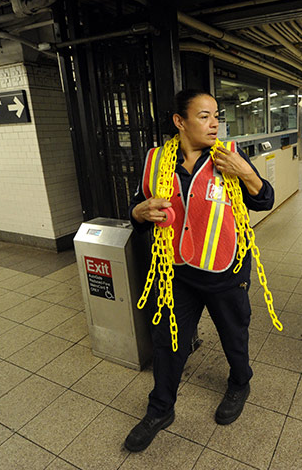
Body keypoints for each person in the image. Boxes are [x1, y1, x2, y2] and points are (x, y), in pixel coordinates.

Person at [124, 89, 275, 453]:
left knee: (233, 335)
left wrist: (247, 175)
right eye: (204, 116)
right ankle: (161, 409)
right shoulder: (157, 161)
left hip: (226, 270)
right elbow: (140, 207)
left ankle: (240, 382)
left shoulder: (230, 157)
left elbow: (265, 198)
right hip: (177, 272)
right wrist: (137, 213)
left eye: (216, 116)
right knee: (168, 342)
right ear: (180, 122)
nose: (214, 124)